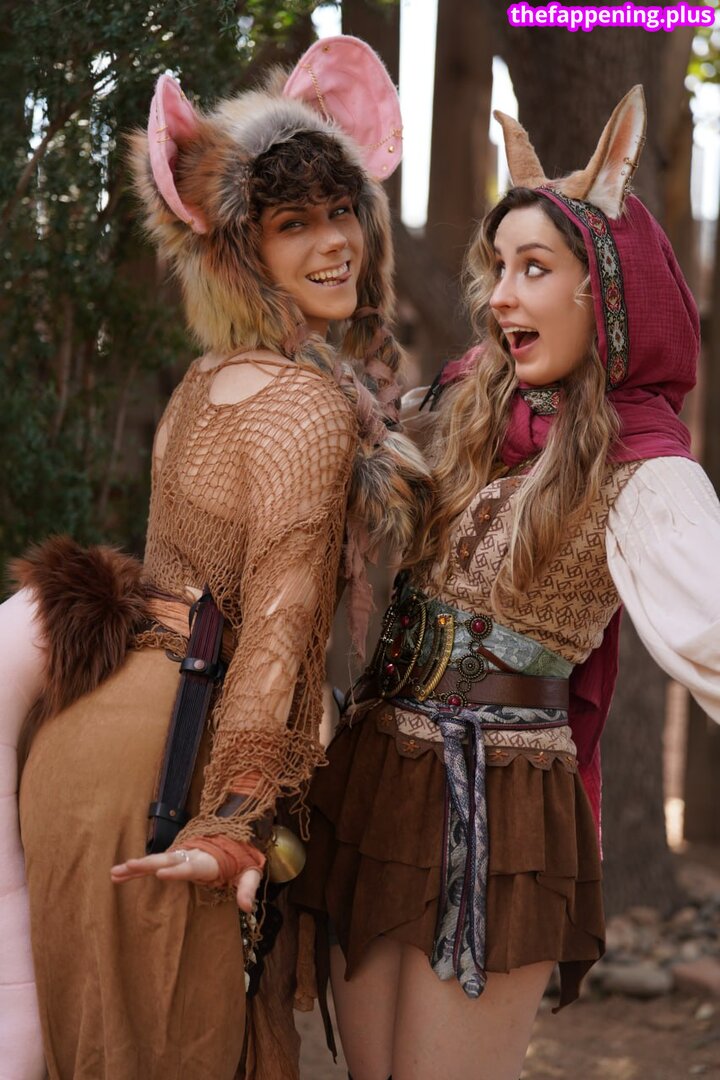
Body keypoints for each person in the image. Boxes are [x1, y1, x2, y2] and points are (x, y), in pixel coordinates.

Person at [2, 35, 429, 1080]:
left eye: (342, 212)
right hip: (174, 772)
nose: (335, 244)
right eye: (293, 225)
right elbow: (274, 633)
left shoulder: (205, 383)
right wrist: (235, 818)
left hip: (79, 748)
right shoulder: (311, 411)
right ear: (240, 252)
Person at [293, 85, 720, 1080]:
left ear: (603, 290)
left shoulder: (646, 471)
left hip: (499, 801)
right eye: (499, 268)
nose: (501, 297)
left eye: (535, 269)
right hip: (377, 776)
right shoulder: (460, 411)